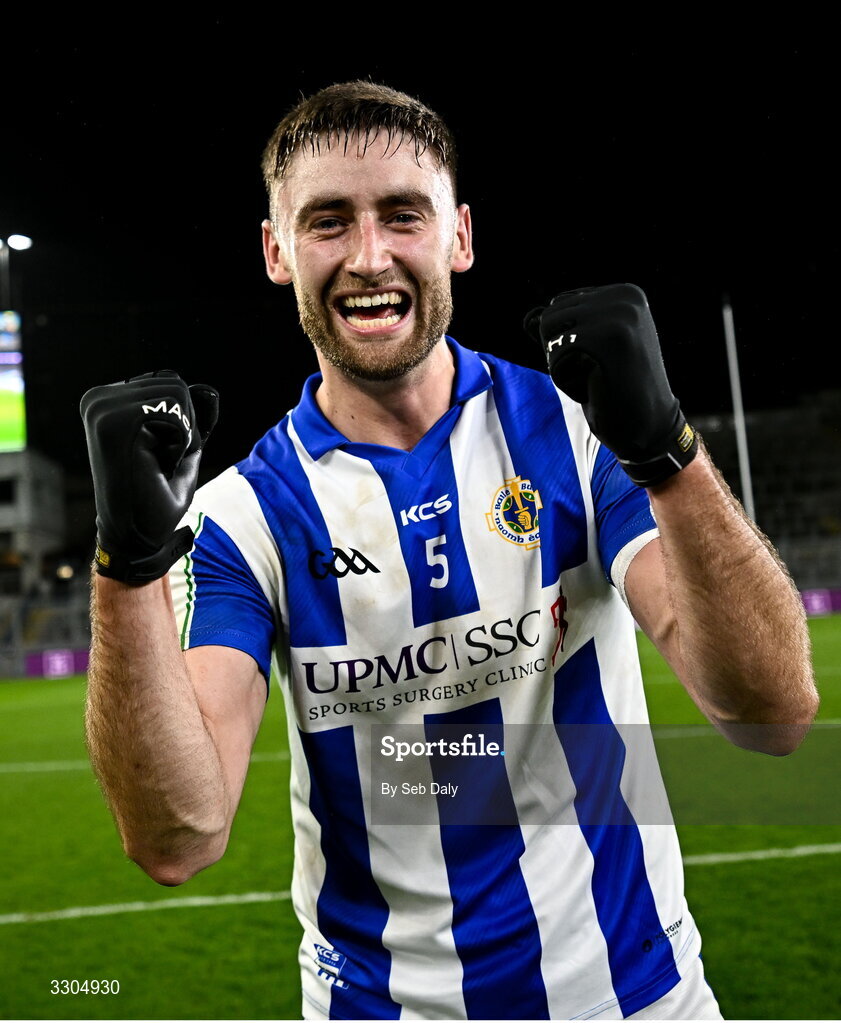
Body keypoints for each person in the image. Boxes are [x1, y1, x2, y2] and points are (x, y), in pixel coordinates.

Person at [81, 82, 818, 1021]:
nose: (367, 256)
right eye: (327, 222)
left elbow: (771, 715)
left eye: (402, 215)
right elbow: (177, 838)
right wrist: (128, 566)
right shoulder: (245, 514)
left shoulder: (577, 433)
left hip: (635, 999)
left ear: (458, 237)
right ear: (277, 252)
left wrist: (667, 452)